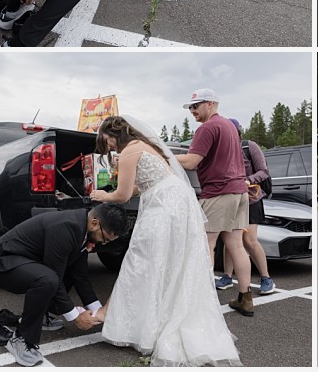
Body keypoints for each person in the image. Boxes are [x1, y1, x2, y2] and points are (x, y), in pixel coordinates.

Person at [88, 116, 240, 366]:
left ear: (112, 133)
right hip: (178, 203)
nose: (109, 147)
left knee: (141, 260)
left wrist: (103, 194)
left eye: (107, 141)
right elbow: (144, 184)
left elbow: (123, 195)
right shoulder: (145, 146)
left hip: (163, 207)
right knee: (168, 262)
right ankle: (153, 319)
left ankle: (129, 322)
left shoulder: (129, 151)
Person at [0, 203, 125, 366]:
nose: (104, 243)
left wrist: (99, 313)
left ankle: (40, 317)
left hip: (23, 261)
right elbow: (54, 276)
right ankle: (21, 339)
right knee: (47, 279)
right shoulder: (65, 228)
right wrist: (75, 317)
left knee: (66, 271)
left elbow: (81, 277)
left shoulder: (83, 229)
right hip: (1, 262)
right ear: (94, 223)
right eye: (104, 238)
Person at [175, 88, 255, 316]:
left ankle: (203, 300)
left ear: (210, 103)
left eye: (196, 106)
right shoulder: (230, 126)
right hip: (239, 192)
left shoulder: (207, 128)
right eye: (190, 107)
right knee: (237, 245)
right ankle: (245, 298)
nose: (192, 111)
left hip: (218, 192)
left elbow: (191, 162)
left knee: (206, 244)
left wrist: (164, 155)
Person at [215, 118, 276, 296]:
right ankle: (227, 276)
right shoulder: (221, 152)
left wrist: (249, 180)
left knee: (249, 240)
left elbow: (264, 171)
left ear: (237, 132)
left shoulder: (249, 147)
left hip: (251, 200)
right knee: (230, 240)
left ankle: (266, 278)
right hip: (230, 200)